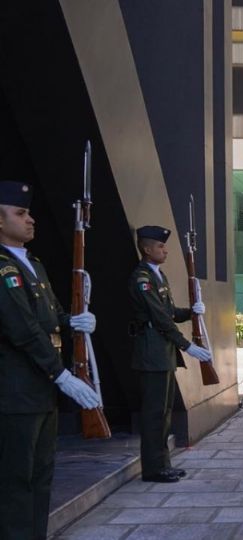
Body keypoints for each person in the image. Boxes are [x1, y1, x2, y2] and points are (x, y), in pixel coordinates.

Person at [0, 180, 102, 539]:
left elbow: (50, 315)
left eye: (29, 213)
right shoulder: (3, 268)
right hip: (15, 393)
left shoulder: (33, 264)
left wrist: (71, 321)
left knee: (41, 476)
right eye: (20, 213)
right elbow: (22, 329)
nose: (30, 220)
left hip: (40, 390)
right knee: (16, 482)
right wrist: (62, 375)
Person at [128, 225, 211, 483]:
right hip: (151, 353)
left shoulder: (157, 275)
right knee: (154, 414)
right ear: (146, 248)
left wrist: (192, 312)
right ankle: (153, 469)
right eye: (161, 246)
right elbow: (161, 319)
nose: (165, 251)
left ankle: (163, 463)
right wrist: (187, 345)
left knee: (163, 413)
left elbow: (171, 312)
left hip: (162, 352)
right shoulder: (142, 278)